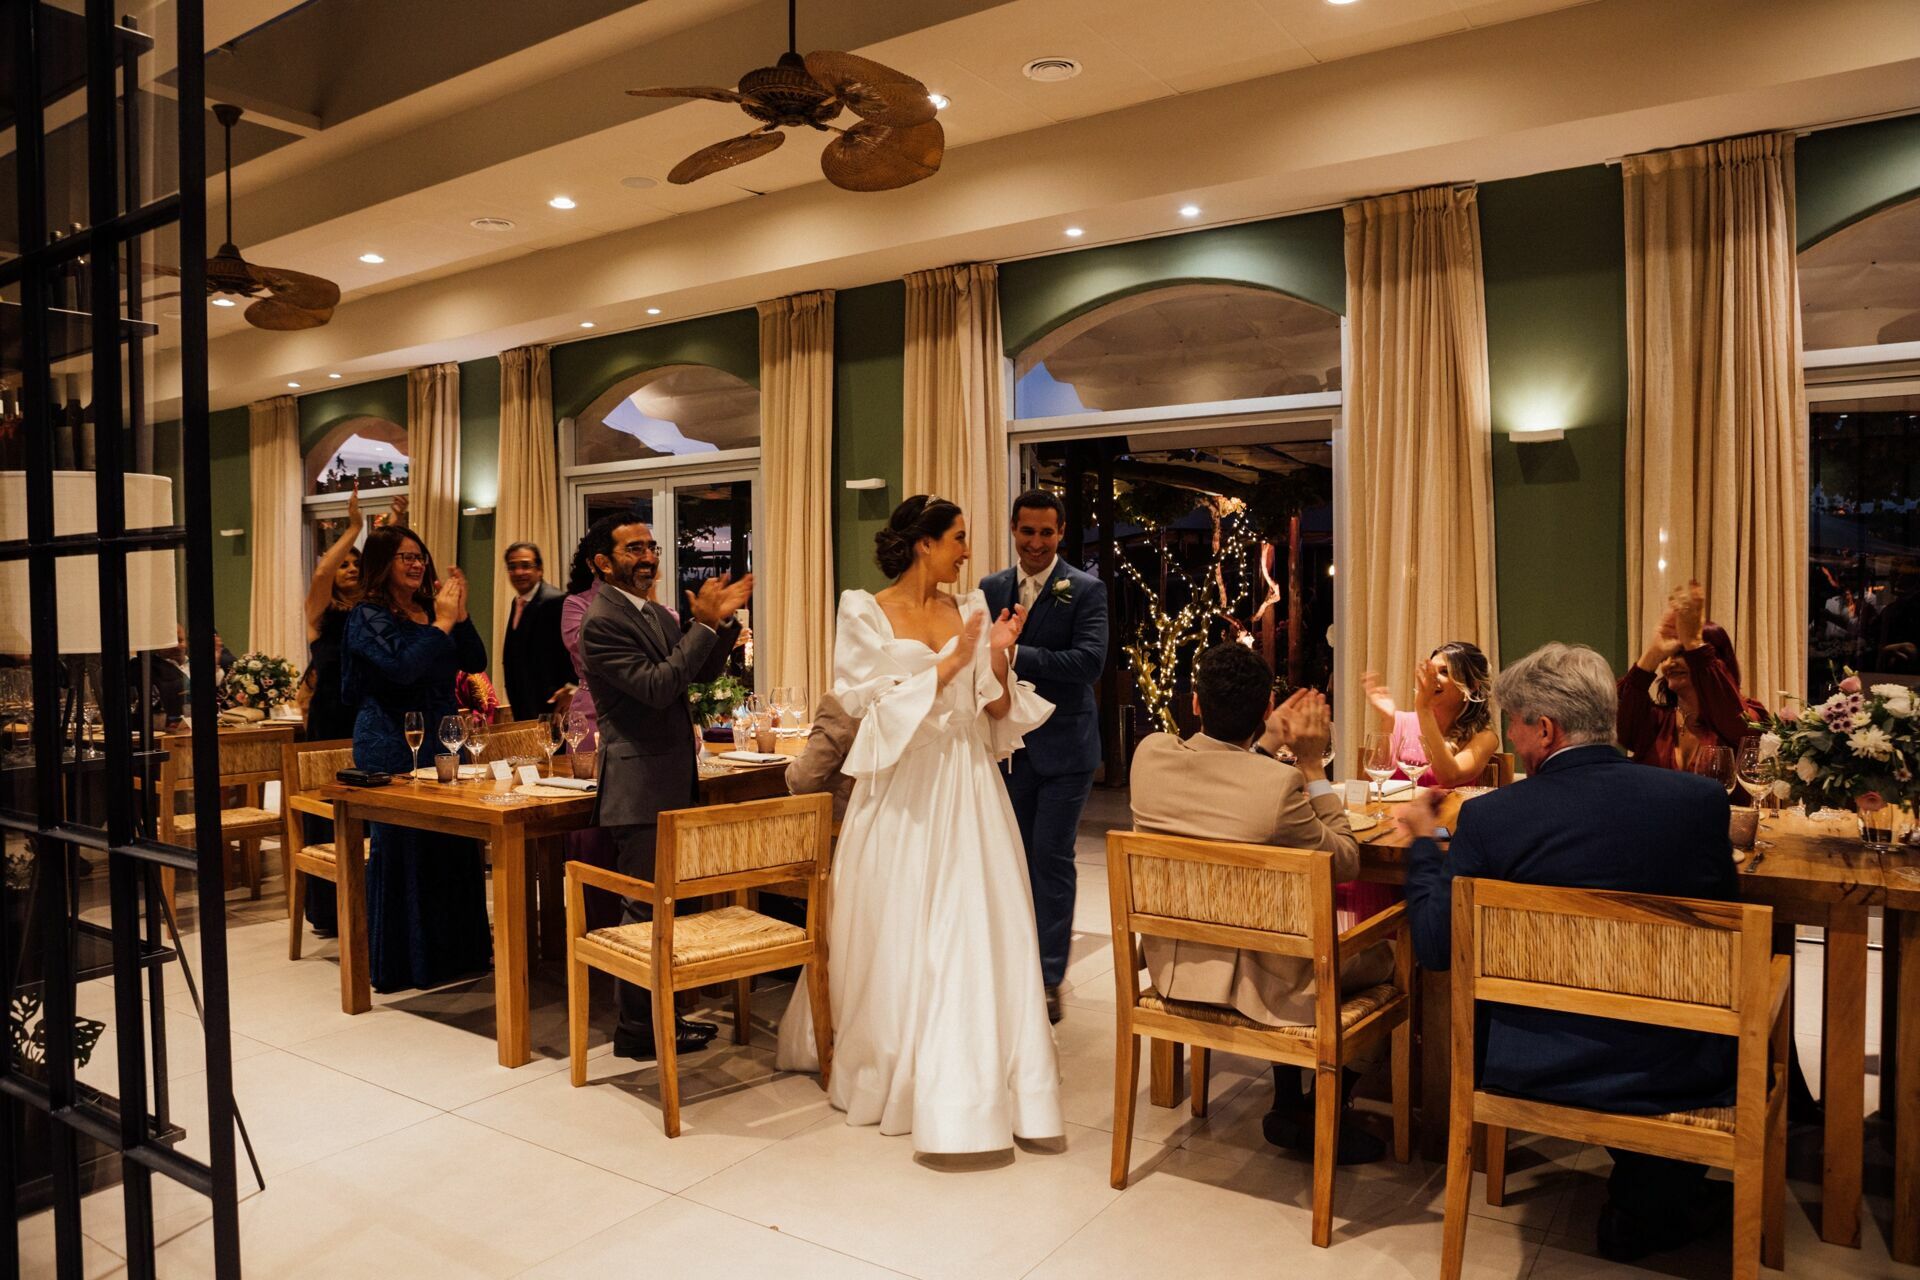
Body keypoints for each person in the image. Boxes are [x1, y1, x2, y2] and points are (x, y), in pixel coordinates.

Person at [1400, 642, 1739, 1264]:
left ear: (1544, 729)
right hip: (1677, 1070)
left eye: (1513, 722)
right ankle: (1654, 1194)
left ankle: (1648, 1196)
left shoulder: (1493, 820)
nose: (1508, 734)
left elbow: (1433, 946)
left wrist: (1425, 843)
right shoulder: (1696, 805)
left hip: (1531, 1060)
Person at [774, 495, 1063, 1156]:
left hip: (967, 786)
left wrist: (994, 660)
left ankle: (980, 1081)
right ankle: (889, 1062)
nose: (968, 551)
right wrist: (948, 667)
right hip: (902, 787)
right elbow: (867, 711)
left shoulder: (972, 610)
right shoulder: (864, 611)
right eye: (958, 538)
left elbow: (993, 715)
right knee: (898, 921)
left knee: (971, 925)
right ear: (923, 543)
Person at [1131, 642, 1393, 1164]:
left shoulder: (1148, 756)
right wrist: (1315, 765)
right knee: (1386, 954)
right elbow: (1344, 859)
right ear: (1264, 708)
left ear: (1197, 704)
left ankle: (1288, 1101)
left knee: (1291, 941)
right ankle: (1326, 1106)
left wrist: (1264, 743)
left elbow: (1223, 779)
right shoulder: (1281, 787)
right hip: (1262, 982)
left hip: (1176, 969)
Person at [577, 517, 749, 1060]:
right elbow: (656, 688)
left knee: (665, 906)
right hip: (638, 784)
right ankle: (639, 1031)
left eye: (651, 546)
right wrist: (699, 627)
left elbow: (692, 676)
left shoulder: (650, 611)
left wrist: (719, 629)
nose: (648, 556)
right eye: (634, 548)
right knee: (643, 908)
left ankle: (661, 1019)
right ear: (603, 563)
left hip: (670, 778)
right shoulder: (601, 622)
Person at [342, 526, 493, 992]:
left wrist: (460, 617)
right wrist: (442, 625)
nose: (416, 565)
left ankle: (459, 956)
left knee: (453, 841)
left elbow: (474, 658)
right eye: (405, 557)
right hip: (391, 739)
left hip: (443, 736)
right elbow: (402, 667)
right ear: (382, 564)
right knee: (407, 845)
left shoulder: (431, 609)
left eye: (420, 557)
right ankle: (408, 964)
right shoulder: (366, 616)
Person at [981, 490, 1108, 1024]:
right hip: (1008, 749)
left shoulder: (1086, 589)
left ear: (1061, 533)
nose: (1035, 543)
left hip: (1065, 750)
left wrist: (1012, 650)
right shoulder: (991, 588)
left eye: (1046, 533)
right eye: (1026, 531)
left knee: (1050, 860)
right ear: (1013, 528)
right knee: (1011, 860)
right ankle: (1013, 966)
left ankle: (1049, 975)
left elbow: (1089, 662)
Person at [297, 485, 395, 936]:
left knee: (375, 811)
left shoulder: (375, 613)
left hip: (370, 719)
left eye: (357, 563)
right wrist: (354, 527)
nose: (350, 569)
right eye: (345, 565)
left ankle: (375, 902)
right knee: (330, 812)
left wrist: (389, 530)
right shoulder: (322, 614)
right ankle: (329, 909)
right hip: (329, 720)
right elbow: (320, 570)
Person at [1618, 580, 1765, 772]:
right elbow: (1620, 725)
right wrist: (1653, 653)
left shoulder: (1746, 715)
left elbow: (1736, 723)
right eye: (1667, 656)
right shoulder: (1657, 720)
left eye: (1682, 653)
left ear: (1716, 661)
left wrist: (1695, 645)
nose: (1670, 663)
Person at [500, 540, 577, 723]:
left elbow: (573, 649)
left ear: (540, 569)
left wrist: (572, 687)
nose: (519, 572)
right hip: (525, 706)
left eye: (526, 566)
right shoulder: (518, 601)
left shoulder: (555, 600)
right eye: (513, 567)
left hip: (552, 709)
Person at [782, 690, 857, 822]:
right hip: (898, 826)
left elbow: (801, 781)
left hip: (841, 827)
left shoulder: (842, 701)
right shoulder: (902, 694)